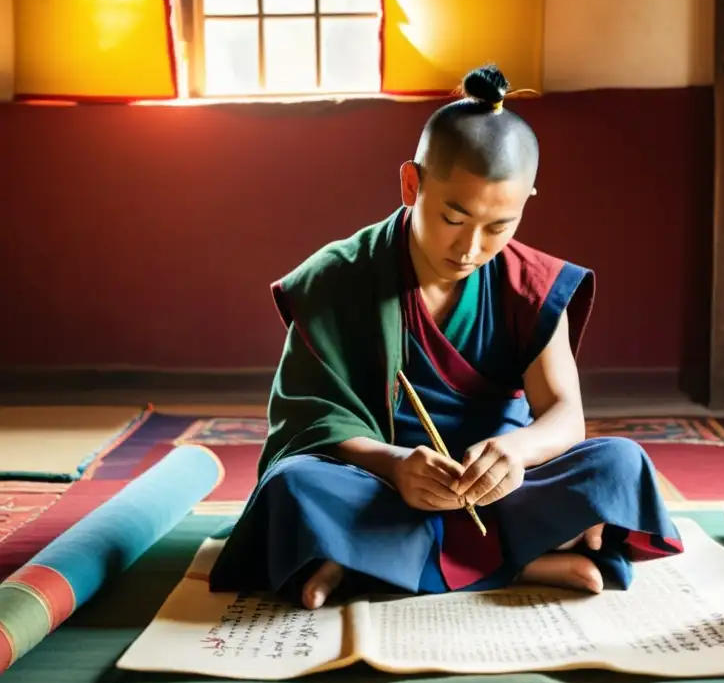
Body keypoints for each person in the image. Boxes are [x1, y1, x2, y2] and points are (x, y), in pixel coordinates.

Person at [208, 65, 683, 610]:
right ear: (413, 184)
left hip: (499, 489)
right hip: (381, 484)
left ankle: (362, 561)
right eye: (453, 217)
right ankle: (521, 559)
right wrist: (394, 464)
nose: (471, 247)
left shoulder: (531, 285)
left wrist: (515, 452)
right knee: (293, 487)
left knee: (620, 465)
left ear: (527, 201)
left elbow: (564, 415)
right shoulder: (338, 277)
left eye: (499, 226)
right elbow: (309, 423)